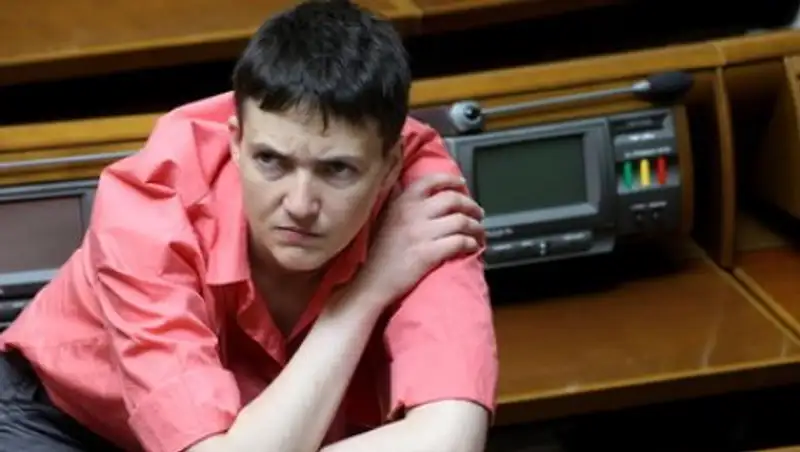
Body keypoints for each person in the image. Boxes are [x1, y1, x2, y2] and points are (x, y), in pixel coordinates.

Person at [0, 1, 498, 451]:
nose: (300, 205)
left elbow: (451, 438)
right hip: (61, 421)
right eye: (271, 161)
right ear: (236, 142)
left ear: (389, 167)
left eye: (337, 170)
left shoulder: (417, 189)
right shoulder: (149, 205)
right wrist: (363, 294)